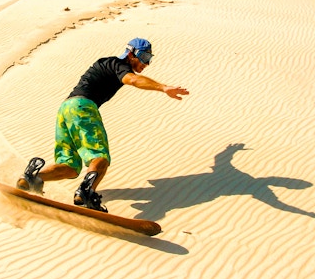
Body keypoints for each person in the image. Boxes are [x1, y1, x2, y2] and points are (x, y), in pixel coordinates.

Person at [16, 37, 189, 212]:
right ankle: (86, 193)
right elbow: (134, 80)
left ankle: (32, 177)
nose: (146, 63)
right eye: (144, 57)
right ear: (131, 54)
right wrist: (164, 87)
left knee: (70, 167)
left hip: (65, 110)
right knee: (100, 157)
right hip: (83, 107)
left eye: (149, 59)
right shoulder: (118, 64)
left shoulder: (109, 64)